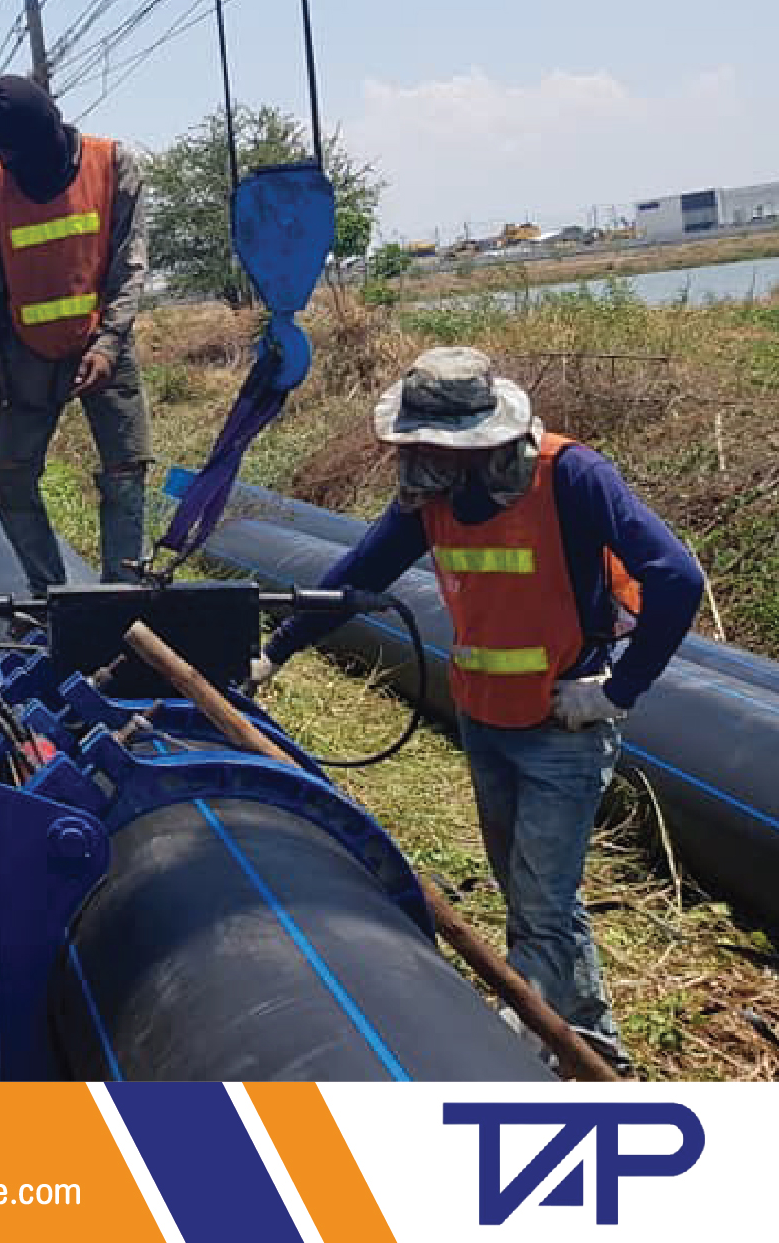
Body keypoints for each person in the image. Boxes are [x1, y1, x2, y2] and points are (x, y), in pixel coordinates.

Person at [254, 347, 703, 1073]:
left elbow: (677, 577)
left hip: (563, 726)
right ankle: (591, 1044)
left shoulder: (571, 478)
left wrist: (616, 690)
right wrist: (278, 651)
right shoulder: (431, 497)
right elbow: (359, 573)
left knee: (543, 903)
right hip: (484, 717)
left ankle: (526, 1050)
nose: (425, 457)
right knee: (532, 897)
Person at [0, 74, 152, 589]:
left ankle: (122, 596)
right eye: (0, 155)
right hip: (25, 353)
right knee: (9, 475)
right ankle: (48, 594)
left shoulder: (112, 164)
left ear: (44, 133)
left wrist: (110, 343)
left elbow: (128, 265)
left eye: (15, 153)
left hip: (103, 343)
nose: (10, 166)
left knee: (125, 472)